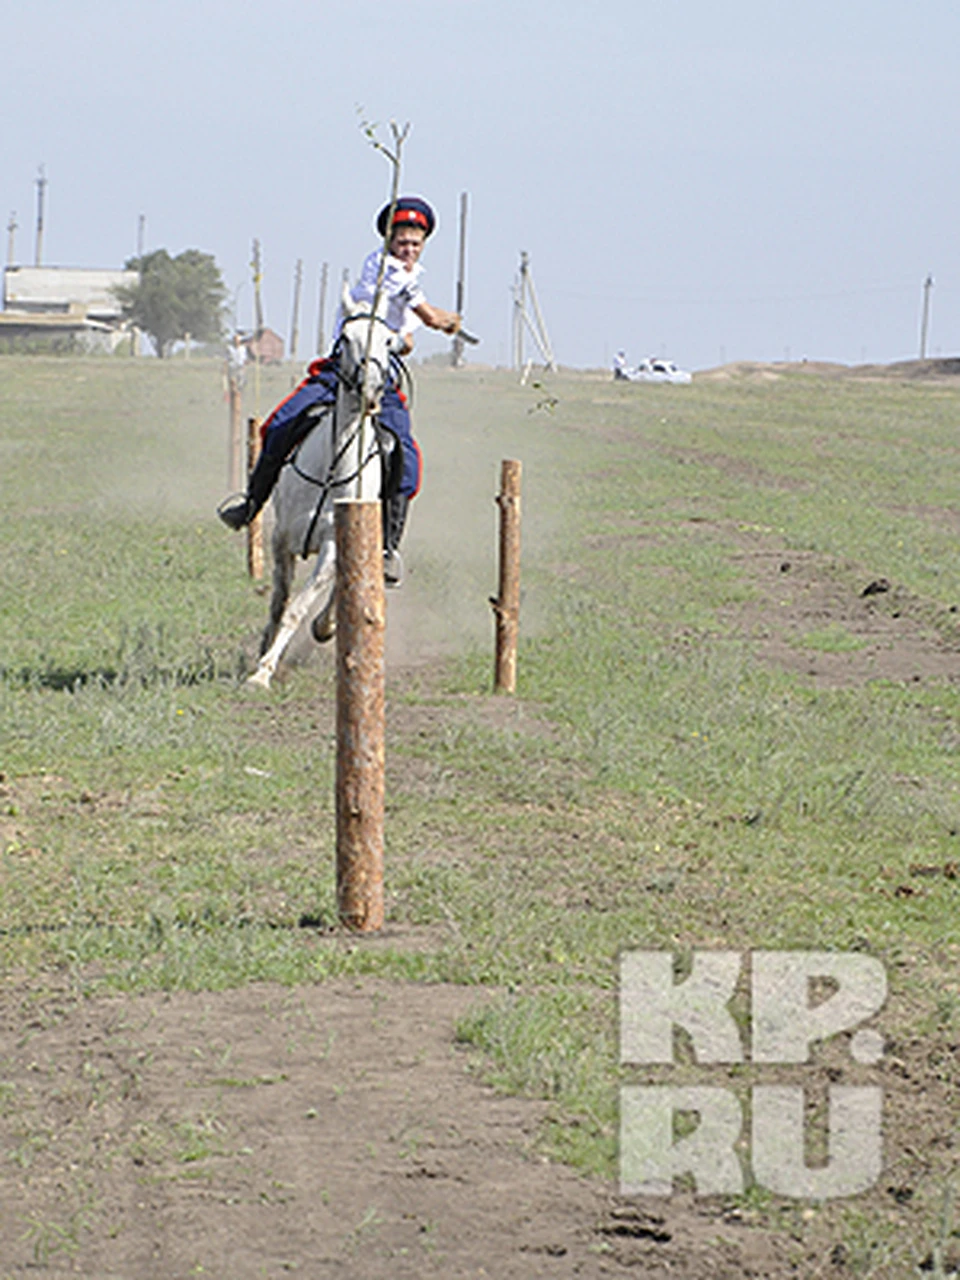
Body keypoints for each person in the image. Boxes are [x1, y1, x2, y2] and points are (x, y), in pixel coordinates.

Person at [218, 197, 460, 585]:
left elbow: (409, 340)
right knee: (280, 423)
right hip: (341, 373)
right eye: (401, 242)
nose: (408, 250)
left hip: (383, 379)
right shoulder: (383, 267)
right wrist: (446, 320)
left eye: (415, 244)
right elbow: (429, 316)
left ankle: (387, 548)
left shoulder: (412, 280)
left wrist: (406, 336)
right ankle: (251, 504)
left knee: (406, 460)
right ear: (388, 241)